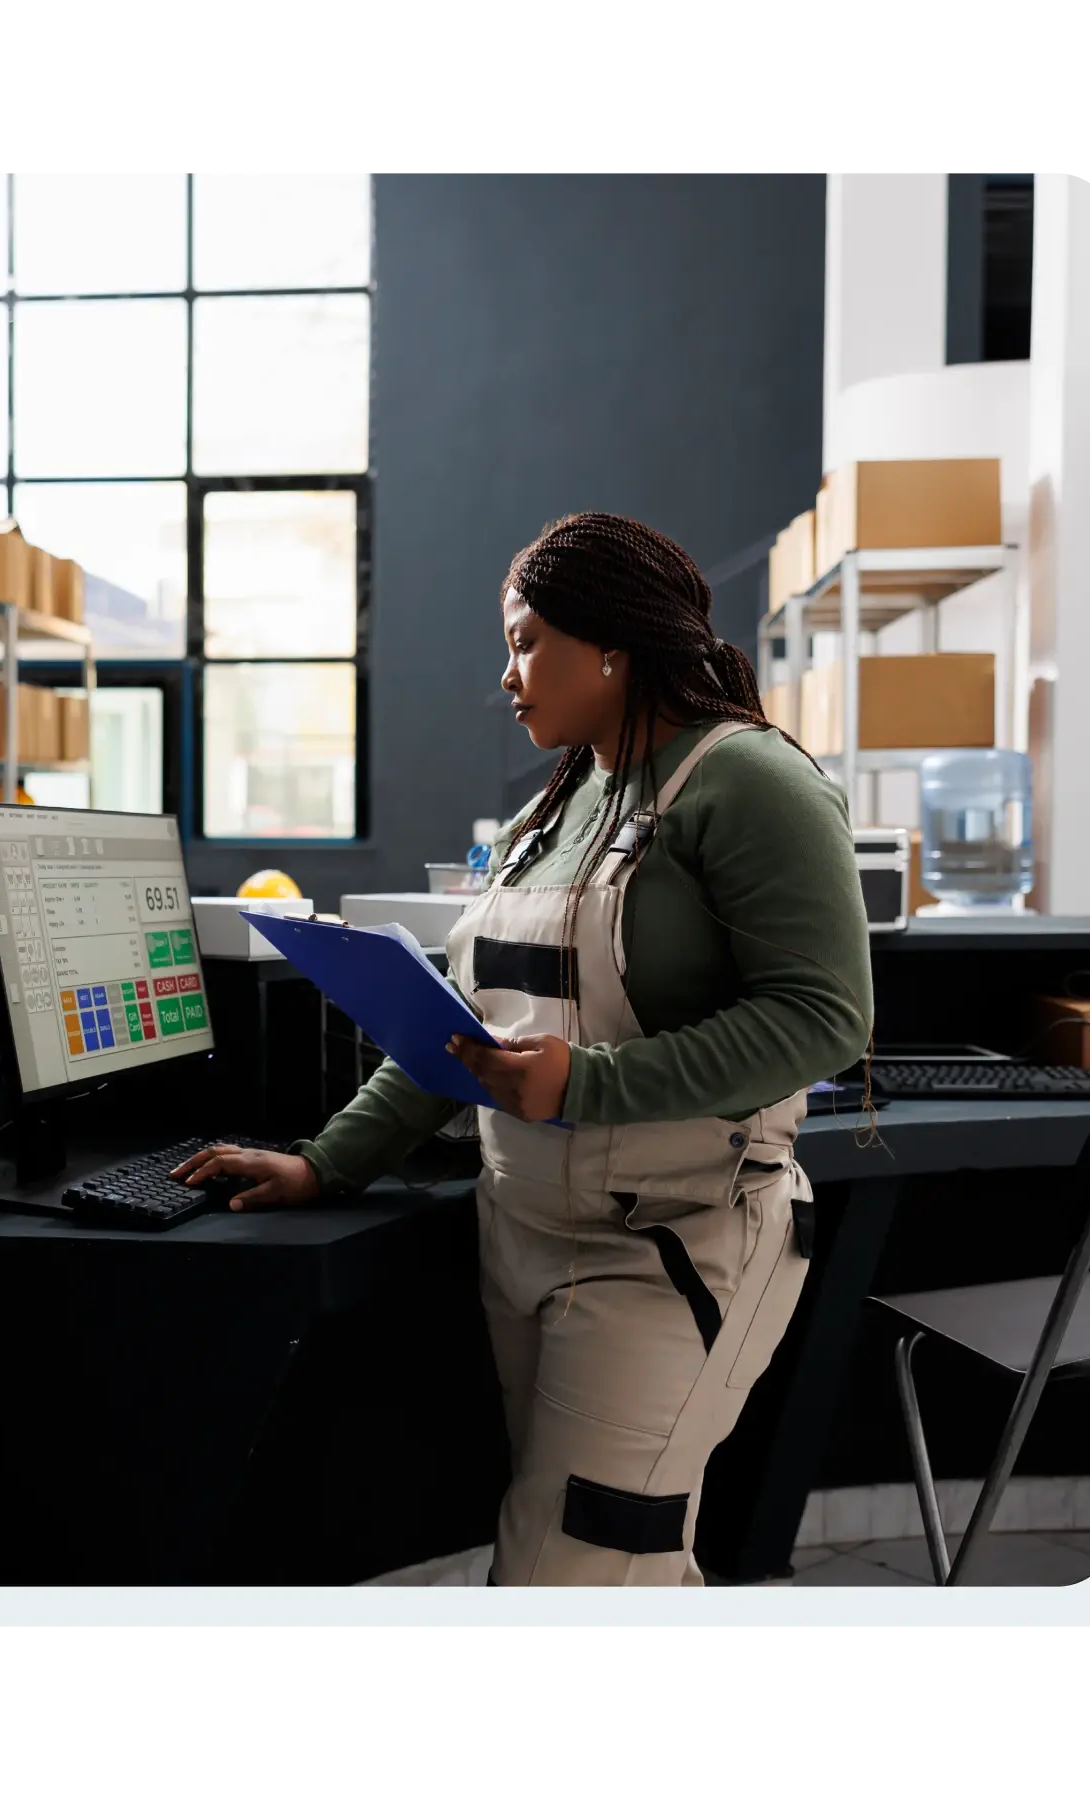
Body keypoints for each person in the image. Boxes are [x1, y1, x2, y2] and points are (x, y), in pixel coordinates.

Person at [172, 513, 874, 1587]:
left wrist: (583, 1082)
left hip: (671, 1248)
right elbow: (454, 1024)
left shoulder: (753, 784)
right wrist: (329, 1160)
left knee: (572, 1568)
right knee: (617, 1560)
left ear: (614, 643)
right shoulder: (555, 808)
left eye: (528, 640)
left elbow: (824, 1016)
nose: (508, 674)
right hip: (524, 1235)